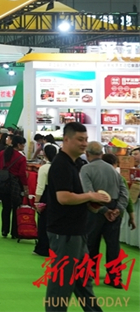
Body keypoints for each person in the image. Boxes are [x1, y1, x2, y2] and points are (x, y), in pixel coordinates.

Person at [44, 122, 109, 312]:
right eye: (80, 139)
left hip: (78, 231)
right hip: (64, 233)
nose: (84, 143)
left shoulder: (79, 164)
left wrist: (95, 204)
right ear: (66, 139)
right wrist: (91, 196)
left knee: (83, 281)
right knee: (61, 284)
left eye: (86, 139)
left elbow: (78, 196)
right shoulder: (60, 164)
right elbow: (63, 198)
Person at [80, 141, 129, 288]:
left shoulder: (86, 169)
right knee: (113, 244)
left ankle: (88, 274)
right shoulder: (113, 170)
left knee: (89, 242)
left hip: (95, 209)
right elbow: (124, 192)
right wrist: (117, 209)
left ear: (87, 154)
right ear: (101, 153)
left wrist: (103, 210)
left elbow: (88, 193)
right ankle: (115, 278)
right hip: (114, 207)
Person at [0, 135, 28, 239]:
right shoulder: (21, 158)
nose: (24, 146)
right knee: (16, 208)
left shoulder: (2, 153)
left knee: (5, 208)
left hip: (3, 184)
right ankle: (14, 232)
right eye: (23, 144)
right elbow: (22, 174)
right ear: (19, 145)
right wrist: (25, 187)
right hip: (15, 185)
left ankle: (4, 230)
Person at [34, 144, 58, 257]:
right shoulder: (59, 166)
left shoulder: (44, 168)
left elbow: (40, 186)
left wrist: (36, 201)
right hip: (58, 196)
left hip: (46, 195)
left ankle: (43, 247)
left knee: (43, 223)